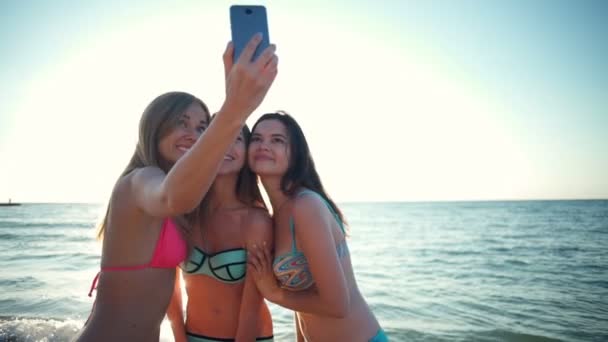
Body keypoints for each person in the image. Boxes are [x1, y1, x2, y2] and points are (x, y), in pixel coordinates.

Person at [73, 35, 278, 341]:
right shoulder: (139, 180)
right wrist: (235, 107)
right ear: (155, 126)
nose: (193, 135)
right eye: (182, 122)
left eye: (200, 128)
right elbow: (172, 196)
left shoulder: (185, 200)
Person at [246, 111, 388, 342]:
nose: (264, 145)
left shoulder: (306, 205)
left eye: (277, 140)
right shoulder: (278, 214)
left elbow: (338, 305)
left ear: (295, 155)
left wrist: (273, 293)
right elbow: (302, 302)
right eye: (257, 139)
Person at [166, 123, 274, 342]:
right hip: (192, 336)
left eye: (236, 139)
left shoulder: (256, 220)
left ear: (246, 153)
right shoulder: (184, 213)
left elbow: (252, 305)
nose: (225, 144)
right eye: (217, 137)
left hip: (250, 337)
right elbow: (170, 285)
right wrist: (179, 336)